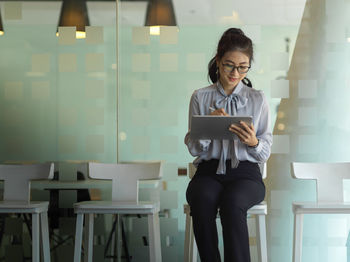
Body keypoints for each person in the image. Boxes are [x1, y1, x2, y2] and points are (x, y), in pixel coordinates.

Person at [184, 28, 272, 262]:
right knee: (201, 199)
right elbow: (193, 149)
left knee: (233, 203)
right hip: (208, 172)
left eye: (242, 66)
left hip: (246, 175)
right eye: (229, 65)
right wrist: (207, 129)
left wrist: (253, 142)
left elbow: (266, 149)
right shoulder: (200, 97)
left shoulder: (258, 98)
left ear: (249, 65)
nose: (235, 73)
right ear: (218, 61)